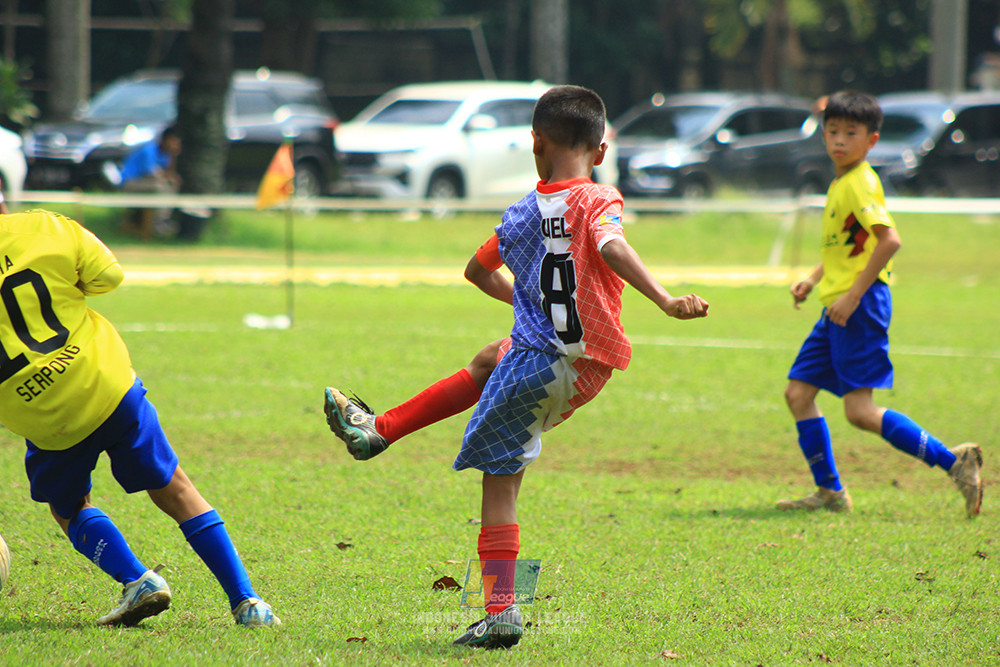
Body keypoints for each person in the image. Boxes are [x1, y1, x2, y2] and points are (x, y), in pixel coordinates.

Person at [324, 85, 709, 649]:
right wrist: (662, 300)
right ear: (600, 151)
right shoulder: (598, 197)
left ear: (535, 143)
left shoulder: (521, 214)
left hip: (541, 366)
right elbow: (607, 246)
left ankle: (502, 613)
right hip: (585, 368)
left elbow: (475, 272)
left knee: (499, 486)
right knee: (488, 359)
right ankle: (379, 430)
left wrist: (541, 304)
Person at [0, 207, 280, 627]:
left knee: (68, 507)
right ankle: (249, 603)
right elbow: (108, 276)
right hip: (106, 382)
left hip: (43, 415)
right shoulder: (46, 225)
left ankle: (137, 580)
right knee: (174, 487)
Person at [778, 90, 983, 517]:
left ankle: (954, 462)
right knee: (798, 394)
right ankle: (831, 493)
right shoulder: (840, 181)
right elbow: (849, 247)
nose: (838, 140)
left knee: (860, 411)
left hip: (858, 305)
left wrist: (853, 296)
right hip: (837, 305)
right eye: (832, 131)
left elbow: (890, 240)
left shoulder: (859, 182)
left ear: (871, 140)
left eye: (849, 133)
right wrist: (813, 279)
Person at [119, 124, 182, 239]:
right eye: (174, 141)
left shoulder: (166, 155)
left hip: (147, 184)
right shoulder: (149, 150)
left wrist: (173, 156)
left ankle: (164, 219)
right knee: (160, 186)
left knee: (171, 184)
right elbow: (151, 173)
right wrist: (167, 177)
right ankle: (158, 222)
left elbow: (169, 174)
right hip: (130, 183)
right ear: (166, 139)